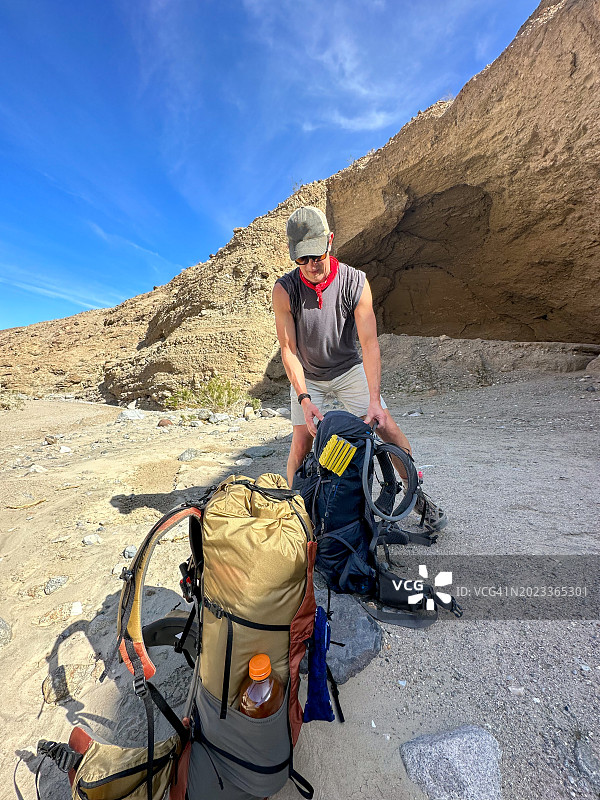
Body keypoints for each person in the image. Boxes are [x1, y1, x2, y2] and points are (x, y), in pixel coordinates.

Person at [272, 205, 446, 531]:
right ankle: (296, 522)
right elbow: (288, 349)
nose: (310, 266)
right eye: (301, 259)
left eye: (316, 256)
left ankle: (417, 499)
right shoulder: (284, 291)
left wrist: (375, 400)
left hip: (349, 367)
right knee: (299, 445)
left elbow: (369, 345)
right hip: (309, 375)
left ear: (330, 243)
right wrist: (305, 400)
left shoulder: (356, 282)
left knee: (387, 428)